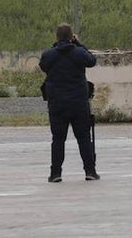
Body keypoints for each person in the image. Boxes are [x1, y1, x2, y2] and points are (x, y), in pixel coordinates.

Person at [39, 23, 98, 183]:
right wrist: (78, 44)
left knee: (58, 139)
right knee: (84, 138)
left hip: (57, 104)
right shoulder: (79, 53)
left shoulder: (49, 55)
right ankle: (90, 171)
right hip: (78, 103)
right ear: (71, 36)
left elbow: (43, 65)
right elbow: (92, 60)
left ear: (57, 37)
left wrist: (57, 45)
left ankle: (55, 173)